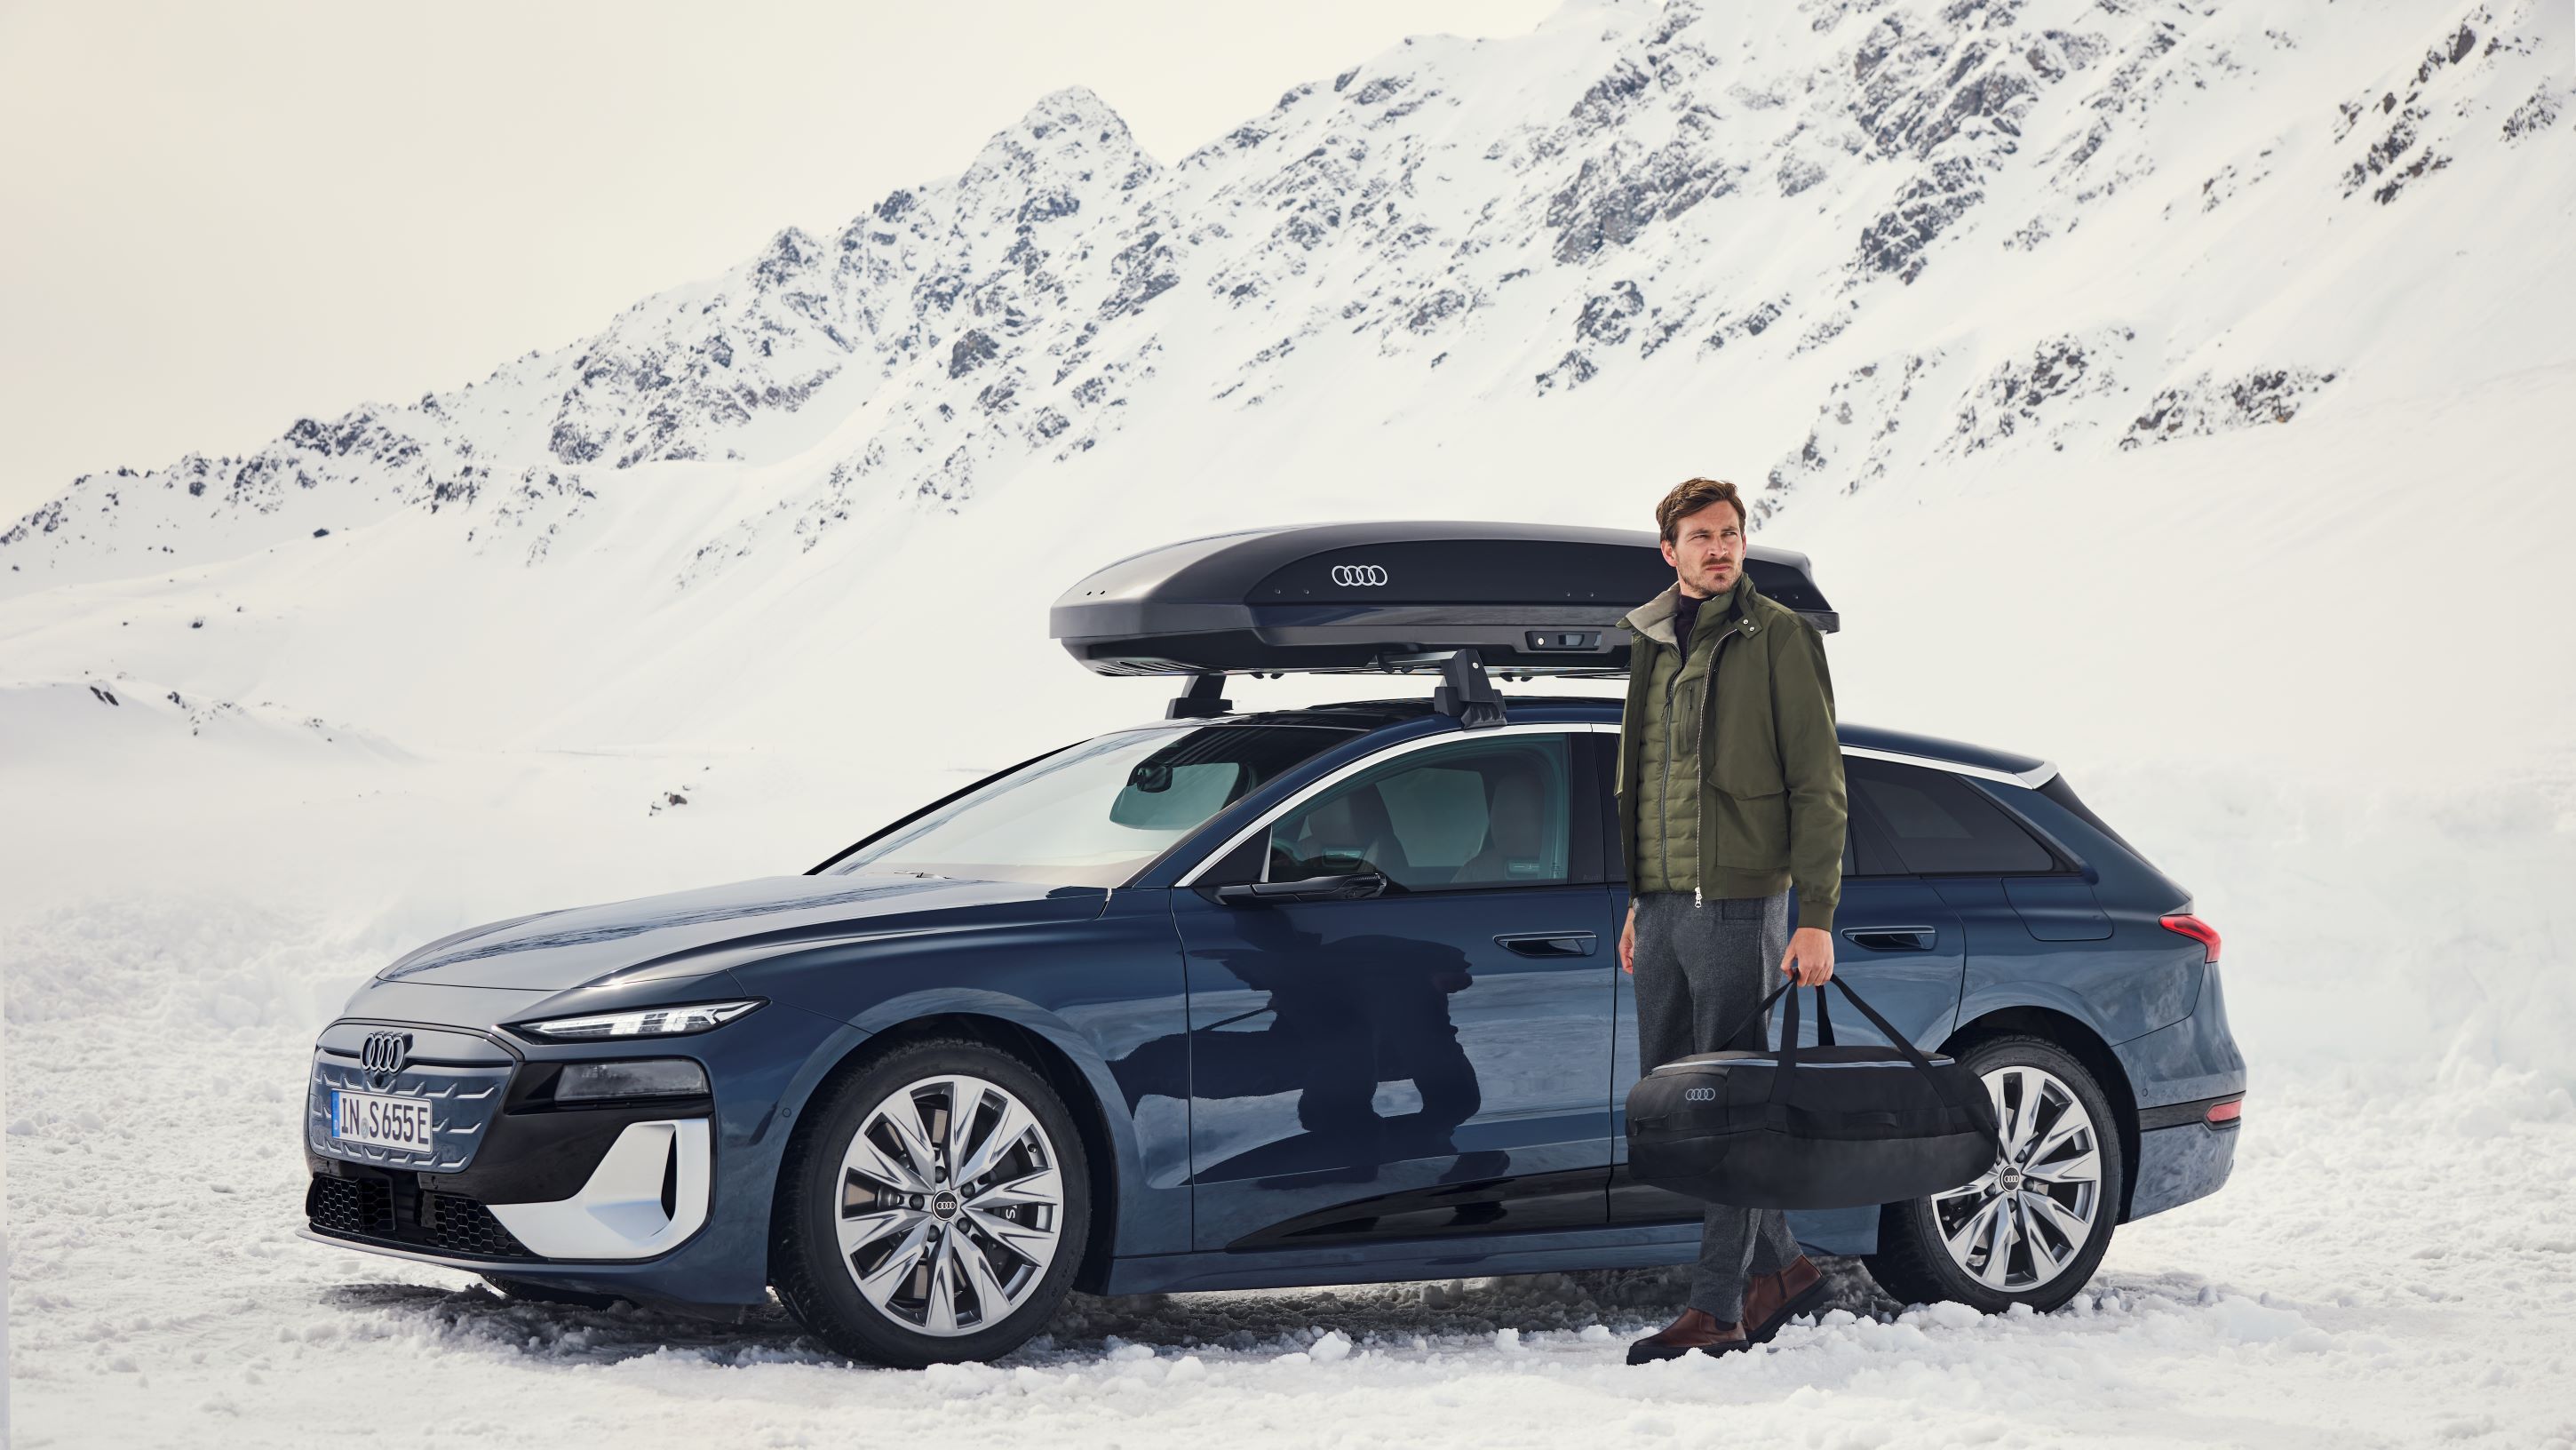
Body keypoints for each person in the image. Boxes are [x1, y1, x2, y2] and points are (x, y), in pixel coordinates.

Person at [1612, 476, 1849, 1364]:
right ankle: (1781, 1266)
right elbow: (1641, 781)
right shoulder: (1648, 643)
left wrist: (1813, 916)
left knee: (1723, 1107)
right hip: (1668, 909)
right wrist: (1639, 899)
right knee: (1676, 1105)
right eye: (1700, 536)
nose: (1718, 548)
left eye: (1729, 534)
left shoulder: (1779, 640)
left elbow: (1818, 789)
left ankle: (1714, 1307)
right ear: (1667, 551)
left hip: (1741, 904)